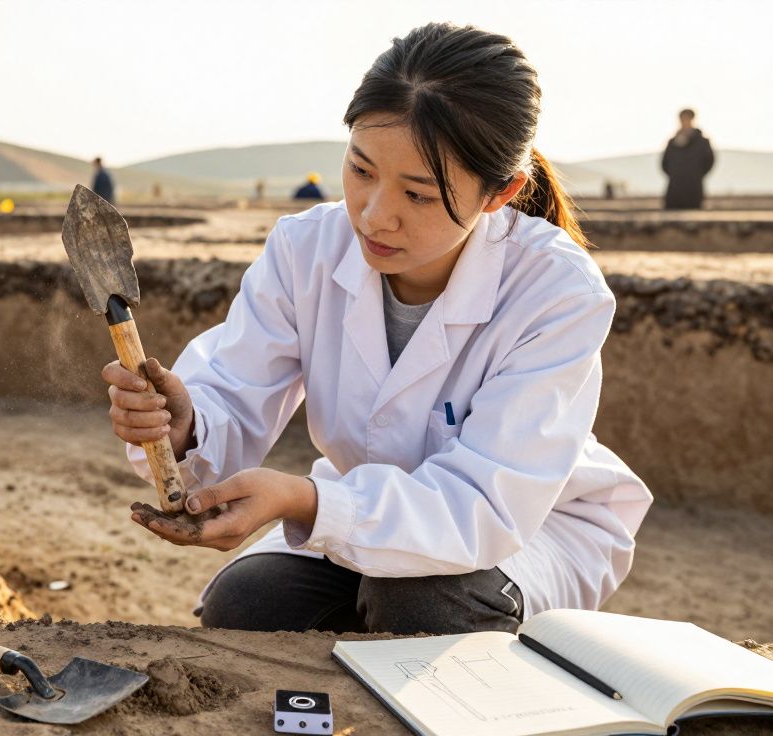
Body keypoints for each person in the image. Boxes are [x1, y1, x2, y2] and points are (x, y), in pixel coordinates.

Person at [102, 22, 652, 636]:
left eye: (418, 195)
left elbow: (483, 506)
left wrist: (308, 502)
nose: (373, 215)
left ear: (501, 192)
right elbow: (233, 386)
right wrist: (186, 426)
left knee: (419, 609)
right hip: (361, 507)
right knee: (248, 607)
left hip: (525, 526)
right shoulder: (305, 248)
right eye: (361, 171)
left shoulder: (556, 291)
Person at [661, 108, 715, 210]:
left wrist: (696, 174)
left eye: (687, 119)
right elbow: (664, 163)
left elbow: (709, 161)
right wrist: (676, 174)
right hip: (675, 191)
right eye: (683, 119)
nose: (684, 121)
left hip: (693, 189)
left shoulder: (702, 142)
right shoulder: (672, 142)